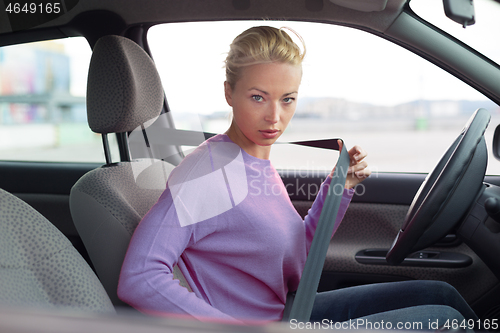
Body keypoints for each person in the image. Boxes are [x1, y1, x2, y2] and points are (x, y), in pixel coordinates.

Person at [118, 26, 477, 328]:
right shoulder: (206, 171)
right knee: (443, 318)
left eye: (287, 99)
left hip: (289, 313)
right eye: (258, 97)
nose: (274, 117)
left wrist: (340, 188)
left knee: (439, 294)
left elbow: (297, 265)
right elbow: (140, 277)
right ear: (229, 93)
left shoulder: (254, 161)